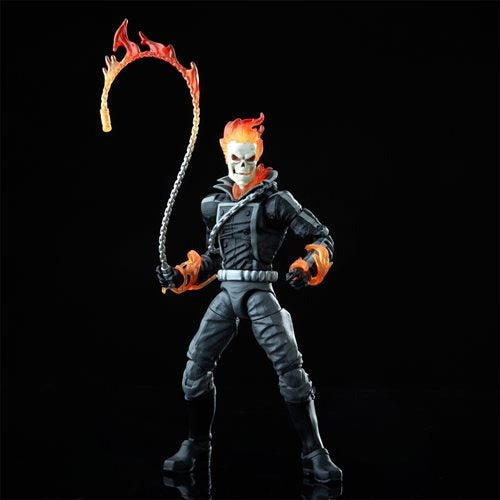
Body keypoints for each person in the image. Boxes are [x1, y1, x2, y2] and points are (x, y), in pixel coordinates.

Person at [157, 113, 342, 484]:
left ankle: (314, 452)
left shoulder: (276, 201)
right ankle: (197, 443)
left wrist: (306, 266)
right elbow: (214, 257)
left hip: (259, 292)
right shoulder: (213, 204)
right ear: (225, 154)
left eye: (249, 159)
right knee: (195, 368)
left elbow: (322, 237)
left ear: (259, 156)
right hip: (228, 293)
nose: (242, 167)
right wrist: (181, 275)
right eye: (235, 159)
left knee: (291, 370)